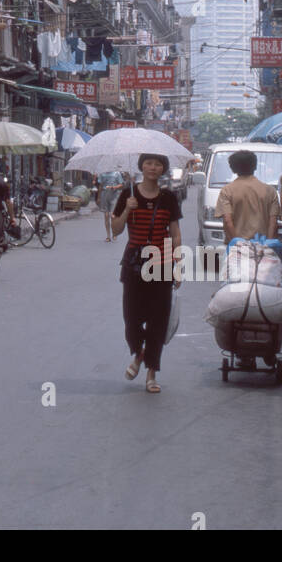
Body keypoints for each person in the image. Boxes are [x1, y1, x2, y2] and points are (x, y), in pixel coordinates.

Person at [111, 154, 182, 394]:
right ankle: (140, 354)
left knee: (157, 321)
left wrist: (178, 266)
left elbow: (175, 233)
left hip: (160, 262)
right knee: (131, 319)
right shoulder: (128, 195)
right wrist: (126, 211)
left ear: (163, 169)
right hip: (133, 263)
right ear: (141, 166)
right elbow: (116, 229)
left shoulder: (169, 197)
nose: (153, 167)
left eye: (158, 164)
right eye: (149, 163)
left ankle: (151, 373)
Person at [217, 149, 280, 242]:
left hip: (237, 248)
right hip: (262, 247)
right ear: (255, 167)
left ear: (233, 169)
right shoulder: (270, 191)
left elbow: (227, 221)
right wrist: (267, 245)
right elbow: (273, 223)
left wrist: (237, 244)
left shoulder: (226, 191)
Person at [99, 171, 124, 242]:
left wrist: (114, 187)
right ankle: (108, 236)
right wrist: (98, 197)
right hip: (104, 195)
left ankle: (114, 233)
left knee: (112, 215)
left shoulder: (117, 173)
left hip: (114, 195)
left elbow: (121, 184)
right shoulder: (102, 173)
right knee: (106, 215)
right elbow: (100, 186)